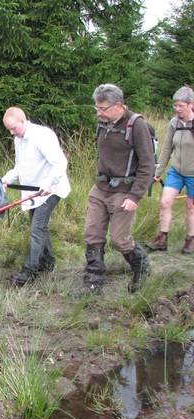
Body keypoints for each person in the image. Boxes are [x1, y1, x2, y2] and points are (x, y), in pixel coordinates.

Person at [73, 84, 155, 297]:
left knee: (119, 240)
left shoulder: (136, 125)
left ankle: (142, 267)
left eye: (103, 108)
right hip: (100, 187)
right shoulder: (102, 123)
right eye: (97, 108)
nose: (99, 113)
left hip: (124, 191)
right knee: (92, 234)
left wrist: (135, 195)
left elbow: (147, 164)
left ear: (118, 105)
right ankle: (92, 282)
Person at [1, 107, 71, 286]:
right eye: (9, 129)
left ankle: (29, 272)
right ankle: (48, 263)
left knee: (36, 229)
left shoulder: (42, 136)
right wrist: (7, 179)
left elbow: (60, 162)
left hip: (50, 190)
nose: (12, 132)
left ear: (23, 121)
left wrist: (49, 183)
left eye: (14, 128)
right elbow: (20, 166)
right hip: (34, 192)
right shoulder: (19, 139)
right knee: (39, 228)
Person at [146, 86, 194, 254]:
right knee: (165, 202)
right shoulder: (174, 123)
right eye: (175, 106)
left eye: (181, 106)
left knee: (190, 207)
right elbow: (166, 149)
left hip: (193, 175)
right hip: (176, 171)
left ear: (191, 104)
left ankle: (190, 241)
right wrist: (157, 173)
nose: (177, 109)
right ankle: (162, 239)